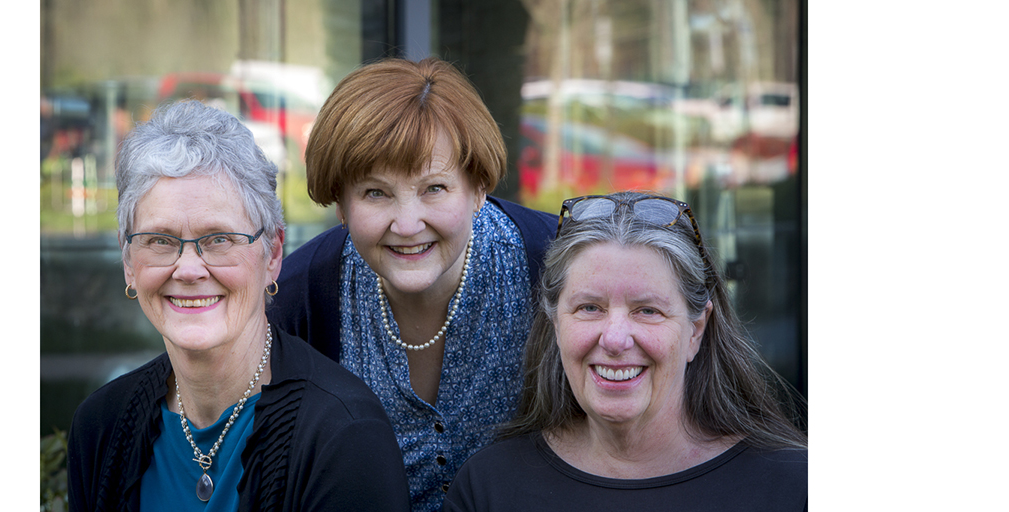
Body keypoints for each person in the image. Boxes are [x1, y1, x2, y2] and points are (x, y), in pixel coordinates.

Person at [67, 100, 410, 512]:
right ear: (128, 261)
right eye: (160, 240)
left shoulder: (344, 435)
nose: (189, 269)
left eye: (219, 239)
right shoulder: (100, 428)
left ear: (273, 254)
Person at [269, 57, 557, 511]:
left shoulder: (555, 267)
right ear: (341, 204)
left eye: (434, 188)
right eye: (375, 192)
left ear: (478, 187)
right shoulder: (296, 300)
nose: (407, 225)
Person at [442, 192, 807, 511]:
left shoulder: (796, 489)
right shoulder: (490, 489)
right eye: (590, 308)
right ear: (556, 323)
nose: (615, 340)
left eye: (647, 310)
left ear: (696, 330)